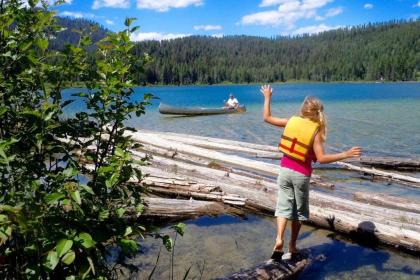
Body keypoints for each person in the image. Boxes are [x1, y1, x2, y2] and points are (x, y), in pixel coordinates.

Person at [260, 84, 362, 260]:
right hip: (300, 175)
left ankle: (278, 239)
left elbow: (267, 117)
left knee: (283, 207)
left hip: (284, 170)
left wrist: (267, 97)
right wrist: (345, 154)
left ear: (303, 110)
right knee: (299, 213)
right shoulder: (315, 131)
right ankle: (292, 246)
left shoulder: (291, 121)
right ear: (318, 113)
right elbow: (321, 159)